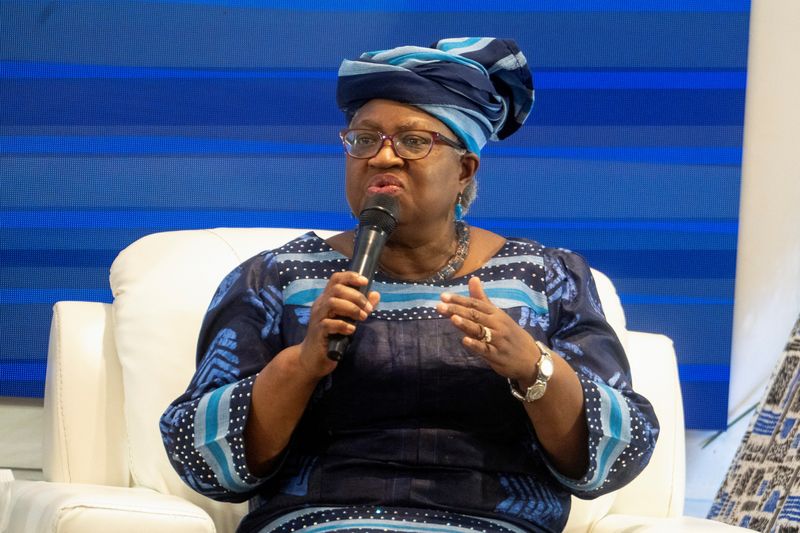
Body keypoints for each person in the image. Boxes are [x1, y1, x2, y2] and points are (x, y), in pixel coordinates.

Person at [160, 37, 659, 533]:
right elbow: (204, 462)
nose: (382, 158)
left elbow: (616, 455)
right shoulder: (276, 277)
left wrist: (533, 366)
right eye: (364, 139)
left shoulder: (546, 277)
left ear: (464, 169)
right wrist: (302, 362)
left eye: (414, 141)